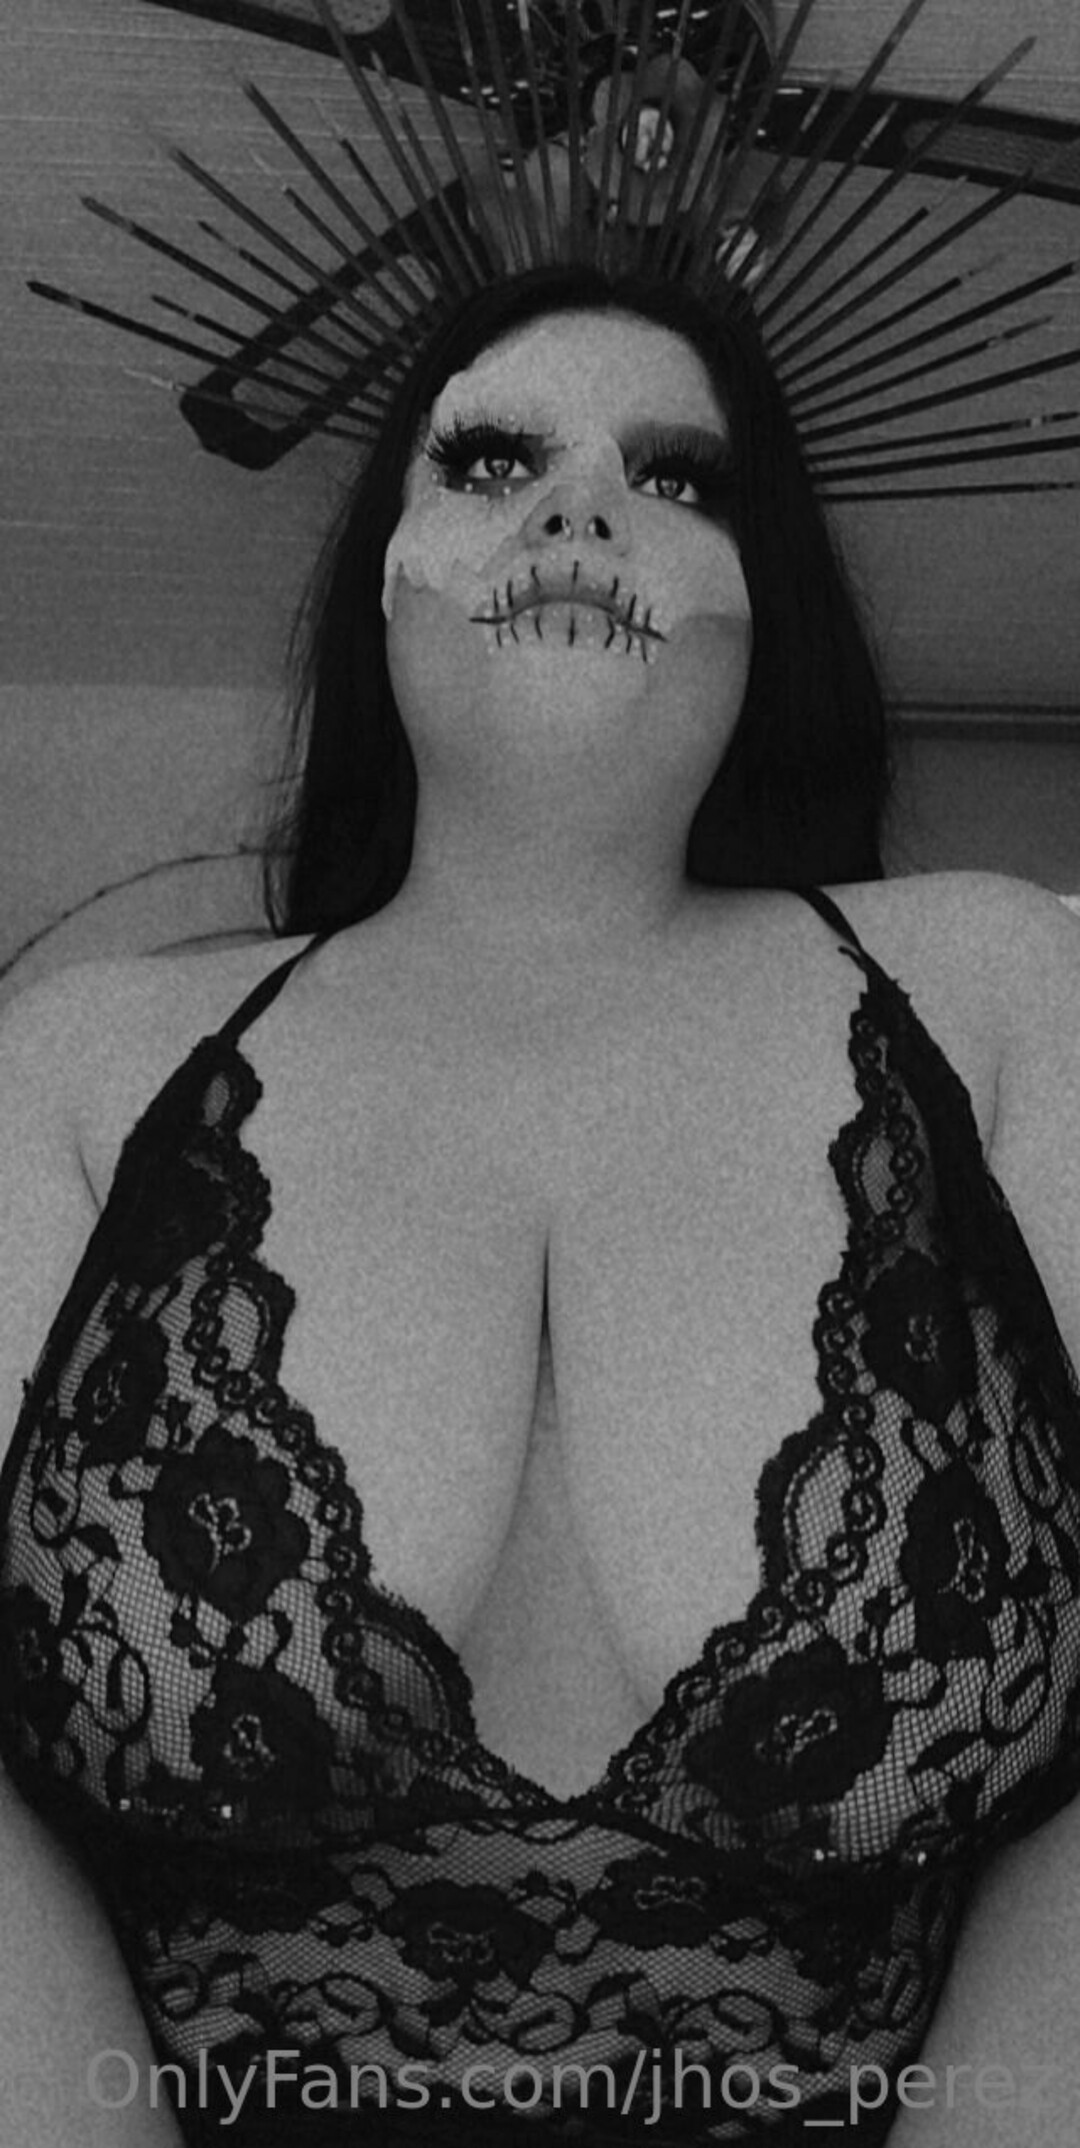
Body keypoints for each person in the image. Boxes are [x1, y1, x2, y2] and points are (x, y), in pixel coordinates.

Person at [1, 259, 1080, 2148]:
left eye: (678, 478)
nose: (583, 511)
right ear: (384, 576)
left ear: (762, 608)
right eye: (495, 459)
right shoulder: (76, 1065)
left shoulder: (1006, 998)